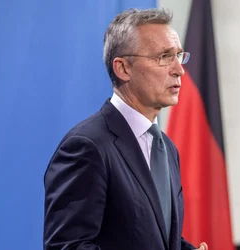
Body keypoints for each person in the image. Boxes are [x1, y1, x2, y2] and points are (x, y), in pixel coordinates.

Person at [43, 8, 207, 250]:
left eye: (179, 56)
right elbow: (67, 246)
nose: (179, 69)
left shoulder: (167, 148)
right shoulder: (87, 146)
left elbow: (157, 239)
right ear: (123, 68)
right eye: (163, 56)